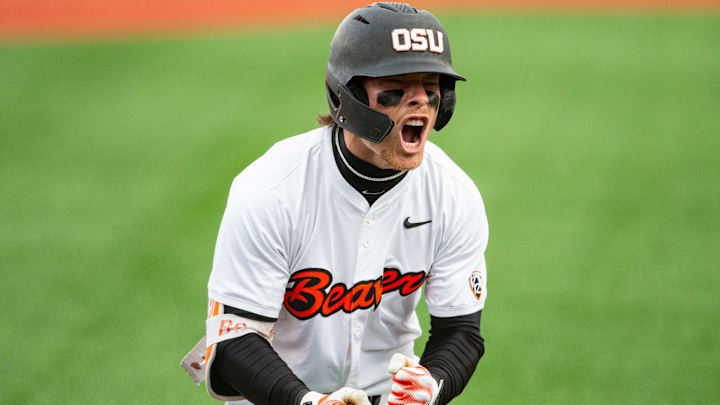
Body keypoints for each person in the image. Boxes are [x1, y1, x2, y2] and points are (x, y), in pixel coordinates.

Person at [203, 3, 488, 404]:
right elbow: (234, 341)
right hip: (278, 396)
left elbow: (460, 330)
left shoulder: (452, 194)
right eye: (397, 85)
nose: (421, 100)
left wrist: (432, 386)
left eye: (431, 84)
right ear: (348, 96)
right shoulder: (272, 189)